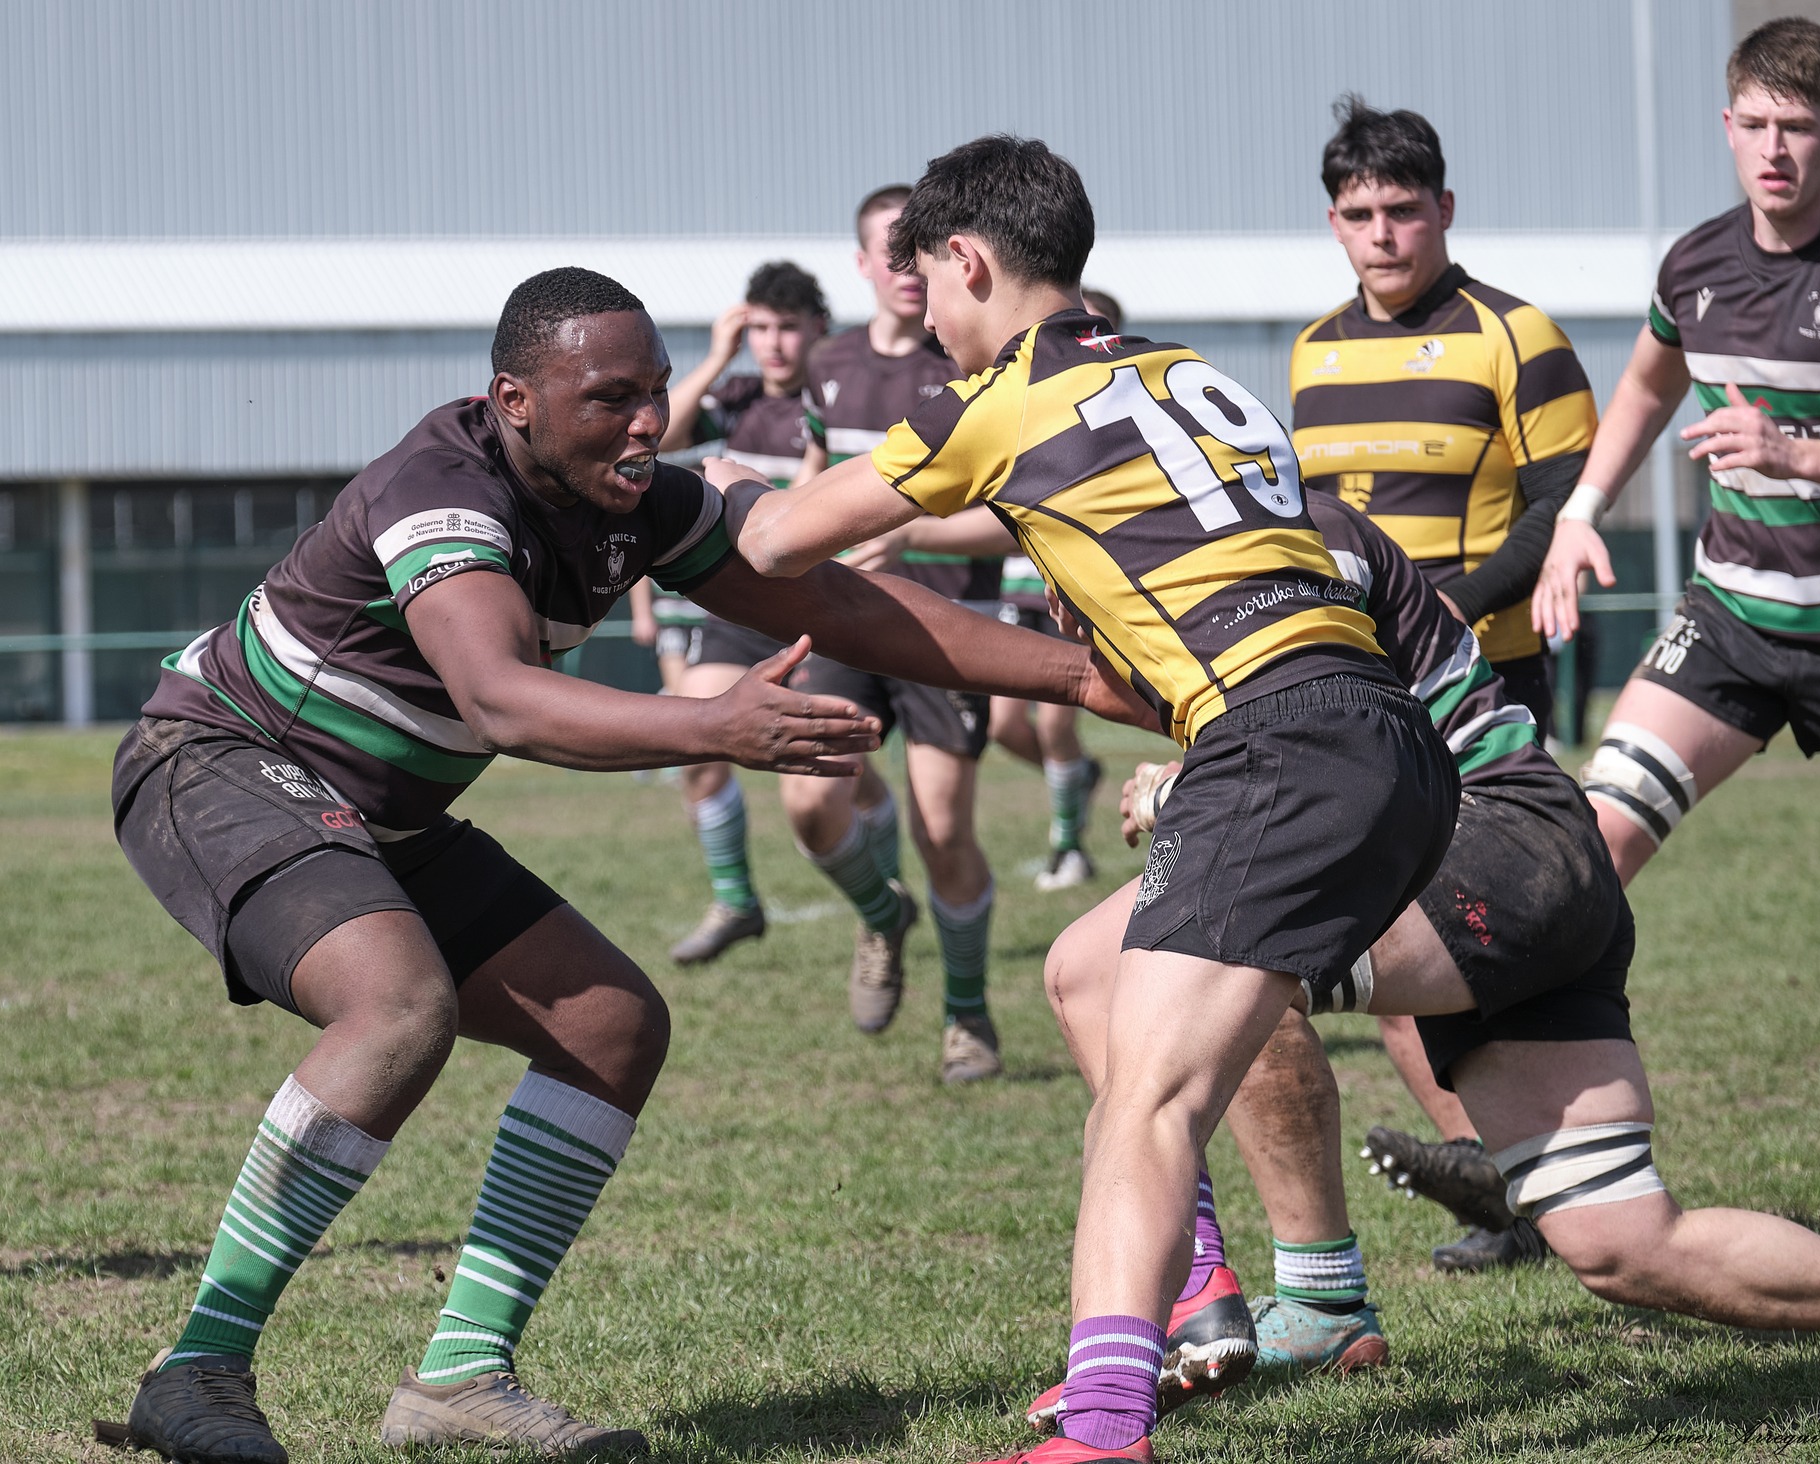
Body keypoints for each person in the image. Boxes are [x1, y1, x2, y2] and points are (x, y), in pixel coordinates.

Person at [100, 266, 1151, 1464]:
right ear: (514, 401)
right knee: (396, 1006)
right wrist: (712, 725)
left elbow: (847, 608)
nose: (647, 422)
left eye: (655, 392)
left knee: (607, 1024)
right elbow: (500, 700)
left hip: (377, 811)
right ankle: (196, 1368)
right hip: (223, 762)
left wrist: (1081, 678)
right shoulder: (438, 492)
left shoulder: (637, 496)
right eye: (609, 398)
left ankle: (458, 1374)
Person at [730, 136, 1458, 1464]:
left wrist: (725, 490)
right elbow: (1015, 512)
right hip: (1384, 730)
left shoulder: (986, 404)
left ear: (967, 261)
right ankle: (1215, 1290)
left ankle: (1106, 1426)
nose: (927, 326)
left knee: (1150, 1103)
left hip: (1274, 745)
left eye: (930, 291)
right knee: (1084, 971)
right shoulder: (1176, 371)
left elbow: (775, 543)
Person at [1040, 490, 1820, 1422]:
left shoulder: (1269, 543)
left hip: (1486, 841)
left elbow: (1332, 739)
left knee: (1141, 957)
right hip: (1541, 853)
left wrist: (1180, 786)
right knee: (1627, 1242)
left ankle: (1229, 1294)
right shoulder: (1248, 542)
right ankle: (1305, 1299)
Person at [1288, 96, 1600, 1272]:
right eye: (1359, 213)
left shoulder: (1514, 335)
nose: (1381, 234)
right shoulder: (1313, 351)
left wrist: (1438, 617)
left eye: (1401, 211)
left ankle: (1525, 1164)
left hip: (1478, 680)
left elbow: (1556, 507)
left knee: (1464, 928)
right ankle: (1499, 1168)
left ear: (1443, 210)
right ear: (1333, 222)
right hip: (1363, 686)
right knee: (1393, 923)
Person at [1534, 17, 1820, 893]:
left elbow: (1786, 452)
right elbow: (1643, 388)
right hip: (1732, 625)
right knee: (1591, 841)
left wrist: (1795, 454)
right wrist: (1579, 516)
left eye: (1798, 125)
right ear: (1727, 127)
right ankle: (1556, 1034)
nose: (1773, 149)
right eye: (1754, 125)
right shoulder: (1695, 265)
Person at [783, 184, 1010, 1082]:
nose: (905, 266)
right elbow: (807, 493)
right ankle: (882, 916)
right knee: (809, 801)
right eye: (889, 248)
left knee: (943, 831)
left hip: (947, 628)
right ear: (864, 263)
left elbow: (1013, 516)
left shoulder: (973, 359)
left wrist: (914, 529)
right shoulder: (829, 363)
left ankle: (967, 1016)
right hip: (841, 619)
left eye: (921, 249)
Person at [627, 261, 830, 964]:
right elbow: (660, 436)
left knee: (828, 790)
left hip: (823, 610)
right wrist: (716, 357)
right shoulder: (734, 396)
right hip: (741, 610)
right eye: (761, 329)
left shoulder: (836, 399)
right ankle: (736, 900)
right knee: (696, 736)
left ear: (818, 330)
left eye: (788, 328)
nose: (773, 343)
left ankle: (877, 904)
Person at [985, 289, 1118, 891]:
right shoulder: (1022, 397)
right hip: (1018, 585)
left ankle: (1068, 845)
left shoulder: (1115, 404)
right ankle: (1076, 779)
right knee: (1004, 726)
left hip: (1074, 589)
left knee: (1057, 723)